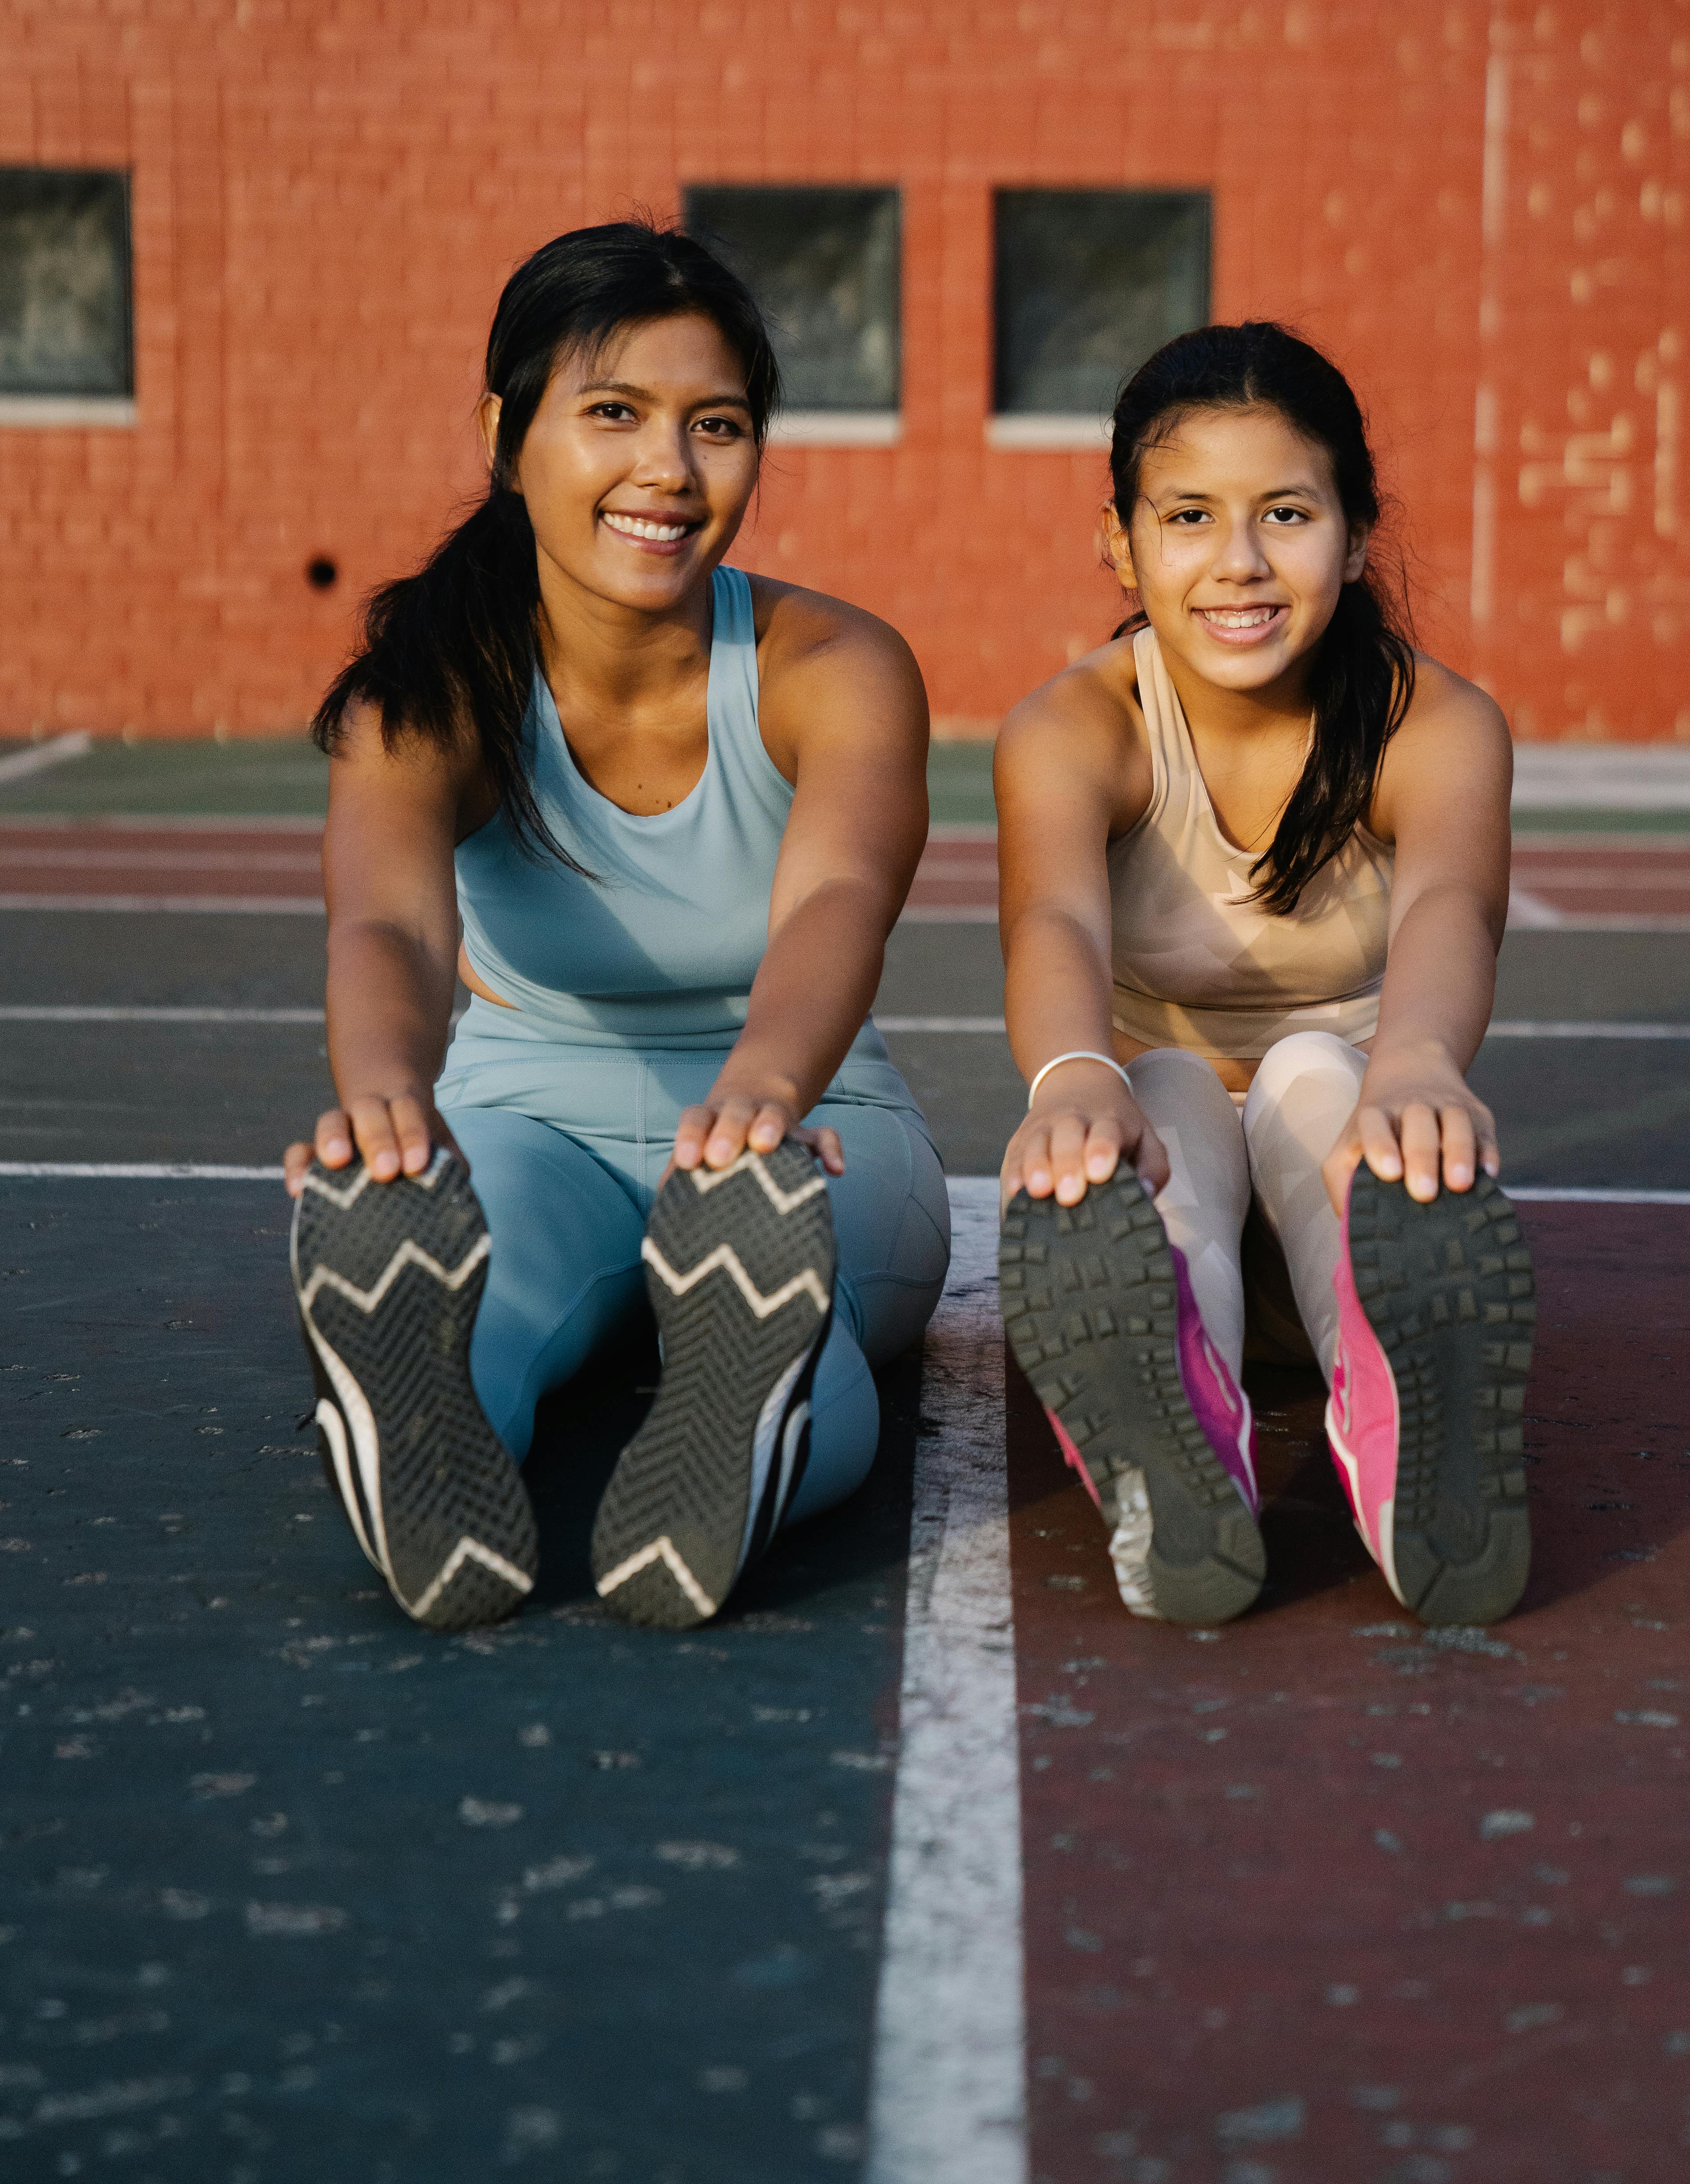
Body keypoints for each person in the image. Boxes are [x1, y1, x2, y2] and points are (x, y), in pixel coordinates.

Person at [283, 222, 949, 1634]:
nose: (669, 469)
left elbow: (840, 898)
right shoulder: (427, 688)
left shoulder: (833, 667)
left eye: (717, 425)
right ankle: (413, 1435)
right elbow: (390, 925)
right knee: (479, 1300)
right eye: (613, 416)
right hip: (531, 1120)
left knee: (805, 1310)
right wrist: (391, 1104)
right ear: (503, 432)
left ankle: (744, 1433)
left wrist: (763, 1089)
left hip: (808, 1119)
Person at [994, 322, 1536, 1631]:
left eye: (1285, 513)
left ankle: (1399, 1414)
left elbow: (1453, 906)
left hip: (1347, 1188)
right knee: (1165, 1080)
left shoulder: (1436, 725)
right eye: (1188, 516)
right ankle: (1181, 1437)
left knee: (1308, 1068)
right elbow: (1054, 923)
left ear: (1354, 537)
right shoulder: (1078, 727)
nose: (1238, 562)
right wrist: (1072, 1082)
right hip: (1158, 1191)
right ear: (1121, 544)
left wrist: (1416, 1065)